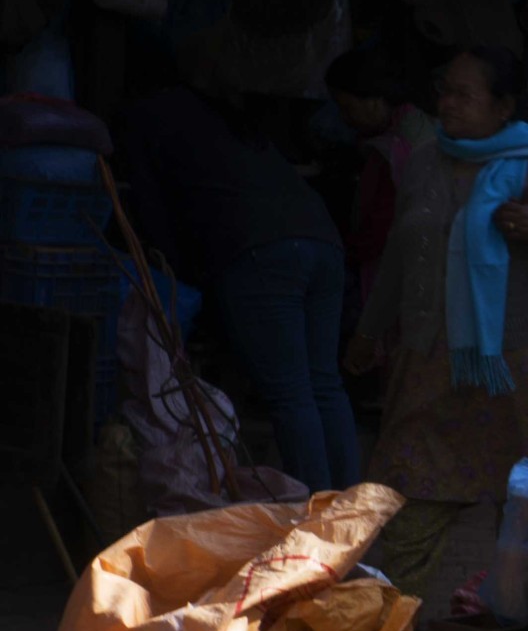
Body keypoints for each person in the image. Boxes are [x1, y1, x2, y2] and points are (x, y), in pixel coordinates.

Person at [347, 45, 528, 599]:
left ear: (503, 107)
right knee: (410, 498)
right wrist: (368, 330)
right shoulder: (426, 160)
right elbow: (400, 258)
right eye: (444, 90)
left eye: (463, 93)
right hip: (433, 364)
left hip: (521, 370)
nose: (446, 103)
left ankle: (513, 628)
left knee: (527, 507)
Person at [118, 74, 360, 491]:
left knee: (293, 395)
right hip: (321, 238)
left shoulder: (144, 122)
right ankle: (345, 510)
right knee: (323, 385)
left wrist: (184, 275)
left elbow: (153, 214)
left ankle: (318, 522)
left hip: (260, 249)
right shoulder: (217, 116)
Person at [325, 47, 436, 308]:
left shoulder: (394, 150)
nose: (345, 118)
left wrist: (345, 253)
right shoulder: (421, 125)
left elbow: (380, 228)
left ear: (374, 101)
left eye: (347, 108)